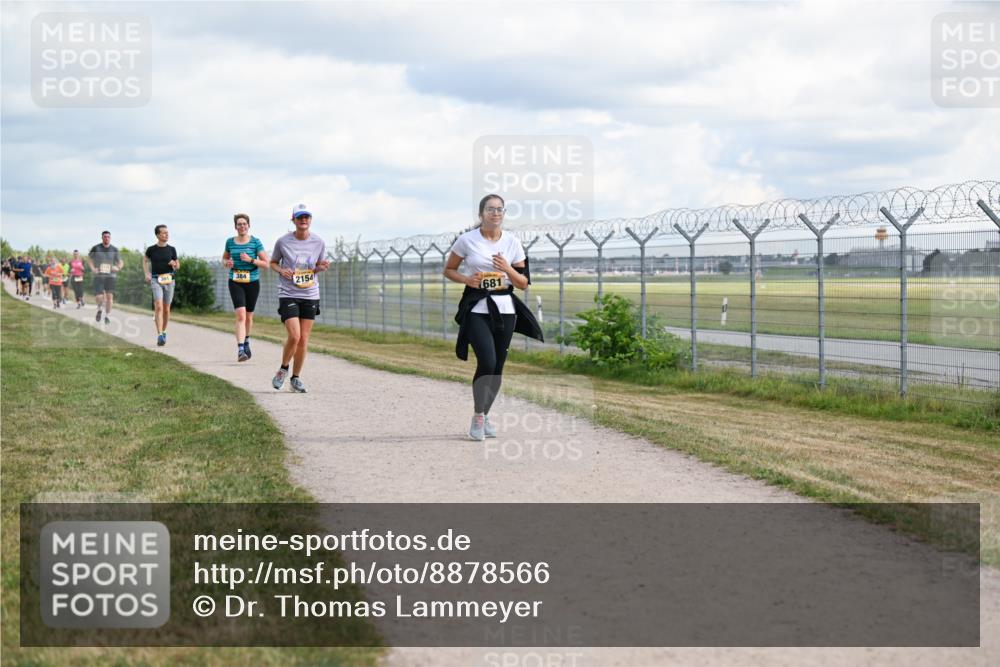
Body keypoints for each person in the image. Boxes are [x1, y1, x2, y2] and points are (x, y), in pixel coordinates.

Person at [443, 194, 543, 441]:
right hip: (478, 307)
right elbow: (449, 270)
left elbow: (523, 283)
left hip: (505, 309)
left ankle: (485, 415)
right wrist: (468, 279)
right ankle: (478, 416)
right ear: (481, 214)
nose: (495, 213)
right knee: (486, 362)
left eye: (499, 209)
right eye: (490, 209)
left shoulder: (512, 242)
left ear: (503, 214)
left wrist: (507, 268)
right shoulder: (466, 240)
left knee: (497, 368)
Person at [269, 204, 329, 392]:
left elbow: (317, 266)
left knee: (303, 339)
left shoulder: (318, 242)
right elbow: (272, 263)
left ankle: (296, 378)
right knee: (294, 336)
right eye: (300, 217)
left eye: (307, 217)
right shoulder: (283, 242)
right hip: (289, 293)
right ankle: (283, 369)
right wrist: (281, 270)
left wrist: (322, 267)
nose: (304, 220)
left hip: (310, 293)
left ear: (310, 220)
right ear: (293, 220)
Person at [223, 213, 269, 362]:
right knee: (241, 315)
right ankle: (241, 349)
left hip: (252, 282)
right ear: (235, 226)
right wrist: (227, 263)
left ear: (249, 225)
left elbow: (266, 263)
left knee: (249, 316)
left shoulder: (255, 242)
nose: (242, 226)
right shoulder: (230, 242)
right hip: (235, 281)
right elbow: (224, 259)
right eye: (239, 224)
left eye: (244, 223)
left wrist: (250, 259)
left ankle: (246, 340)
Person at [143, 225, 180, 346]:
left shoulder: (172, 249)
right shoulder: (151, 249)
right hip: (156, 280)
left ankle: (164, 331)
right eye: (164, 233)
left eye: (167, 233)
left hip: (169, 280)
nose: (166, 235)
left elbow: (178, 266)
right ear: (158, 235)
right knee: (158, 306)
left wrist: (174, 263)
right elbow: (145, 260)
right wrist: (147, 273)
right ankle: (159, 335)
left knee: (166, 309)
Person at [88, 231, 122, 324]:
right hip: (99, 275)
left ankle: (107, 316)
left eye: (108, 237)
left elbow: (120, 262)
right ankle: (99, 309)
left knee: (109, 297)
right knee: (99, 297)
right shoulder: (96, 248)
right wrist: (92, 268)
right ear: (102, 238)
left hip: (111, 276)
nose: (106, 238)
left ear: (110, 238)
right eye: (105, 237)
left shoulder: (114, 249)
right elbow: (90, 259)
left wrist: (118, 267)